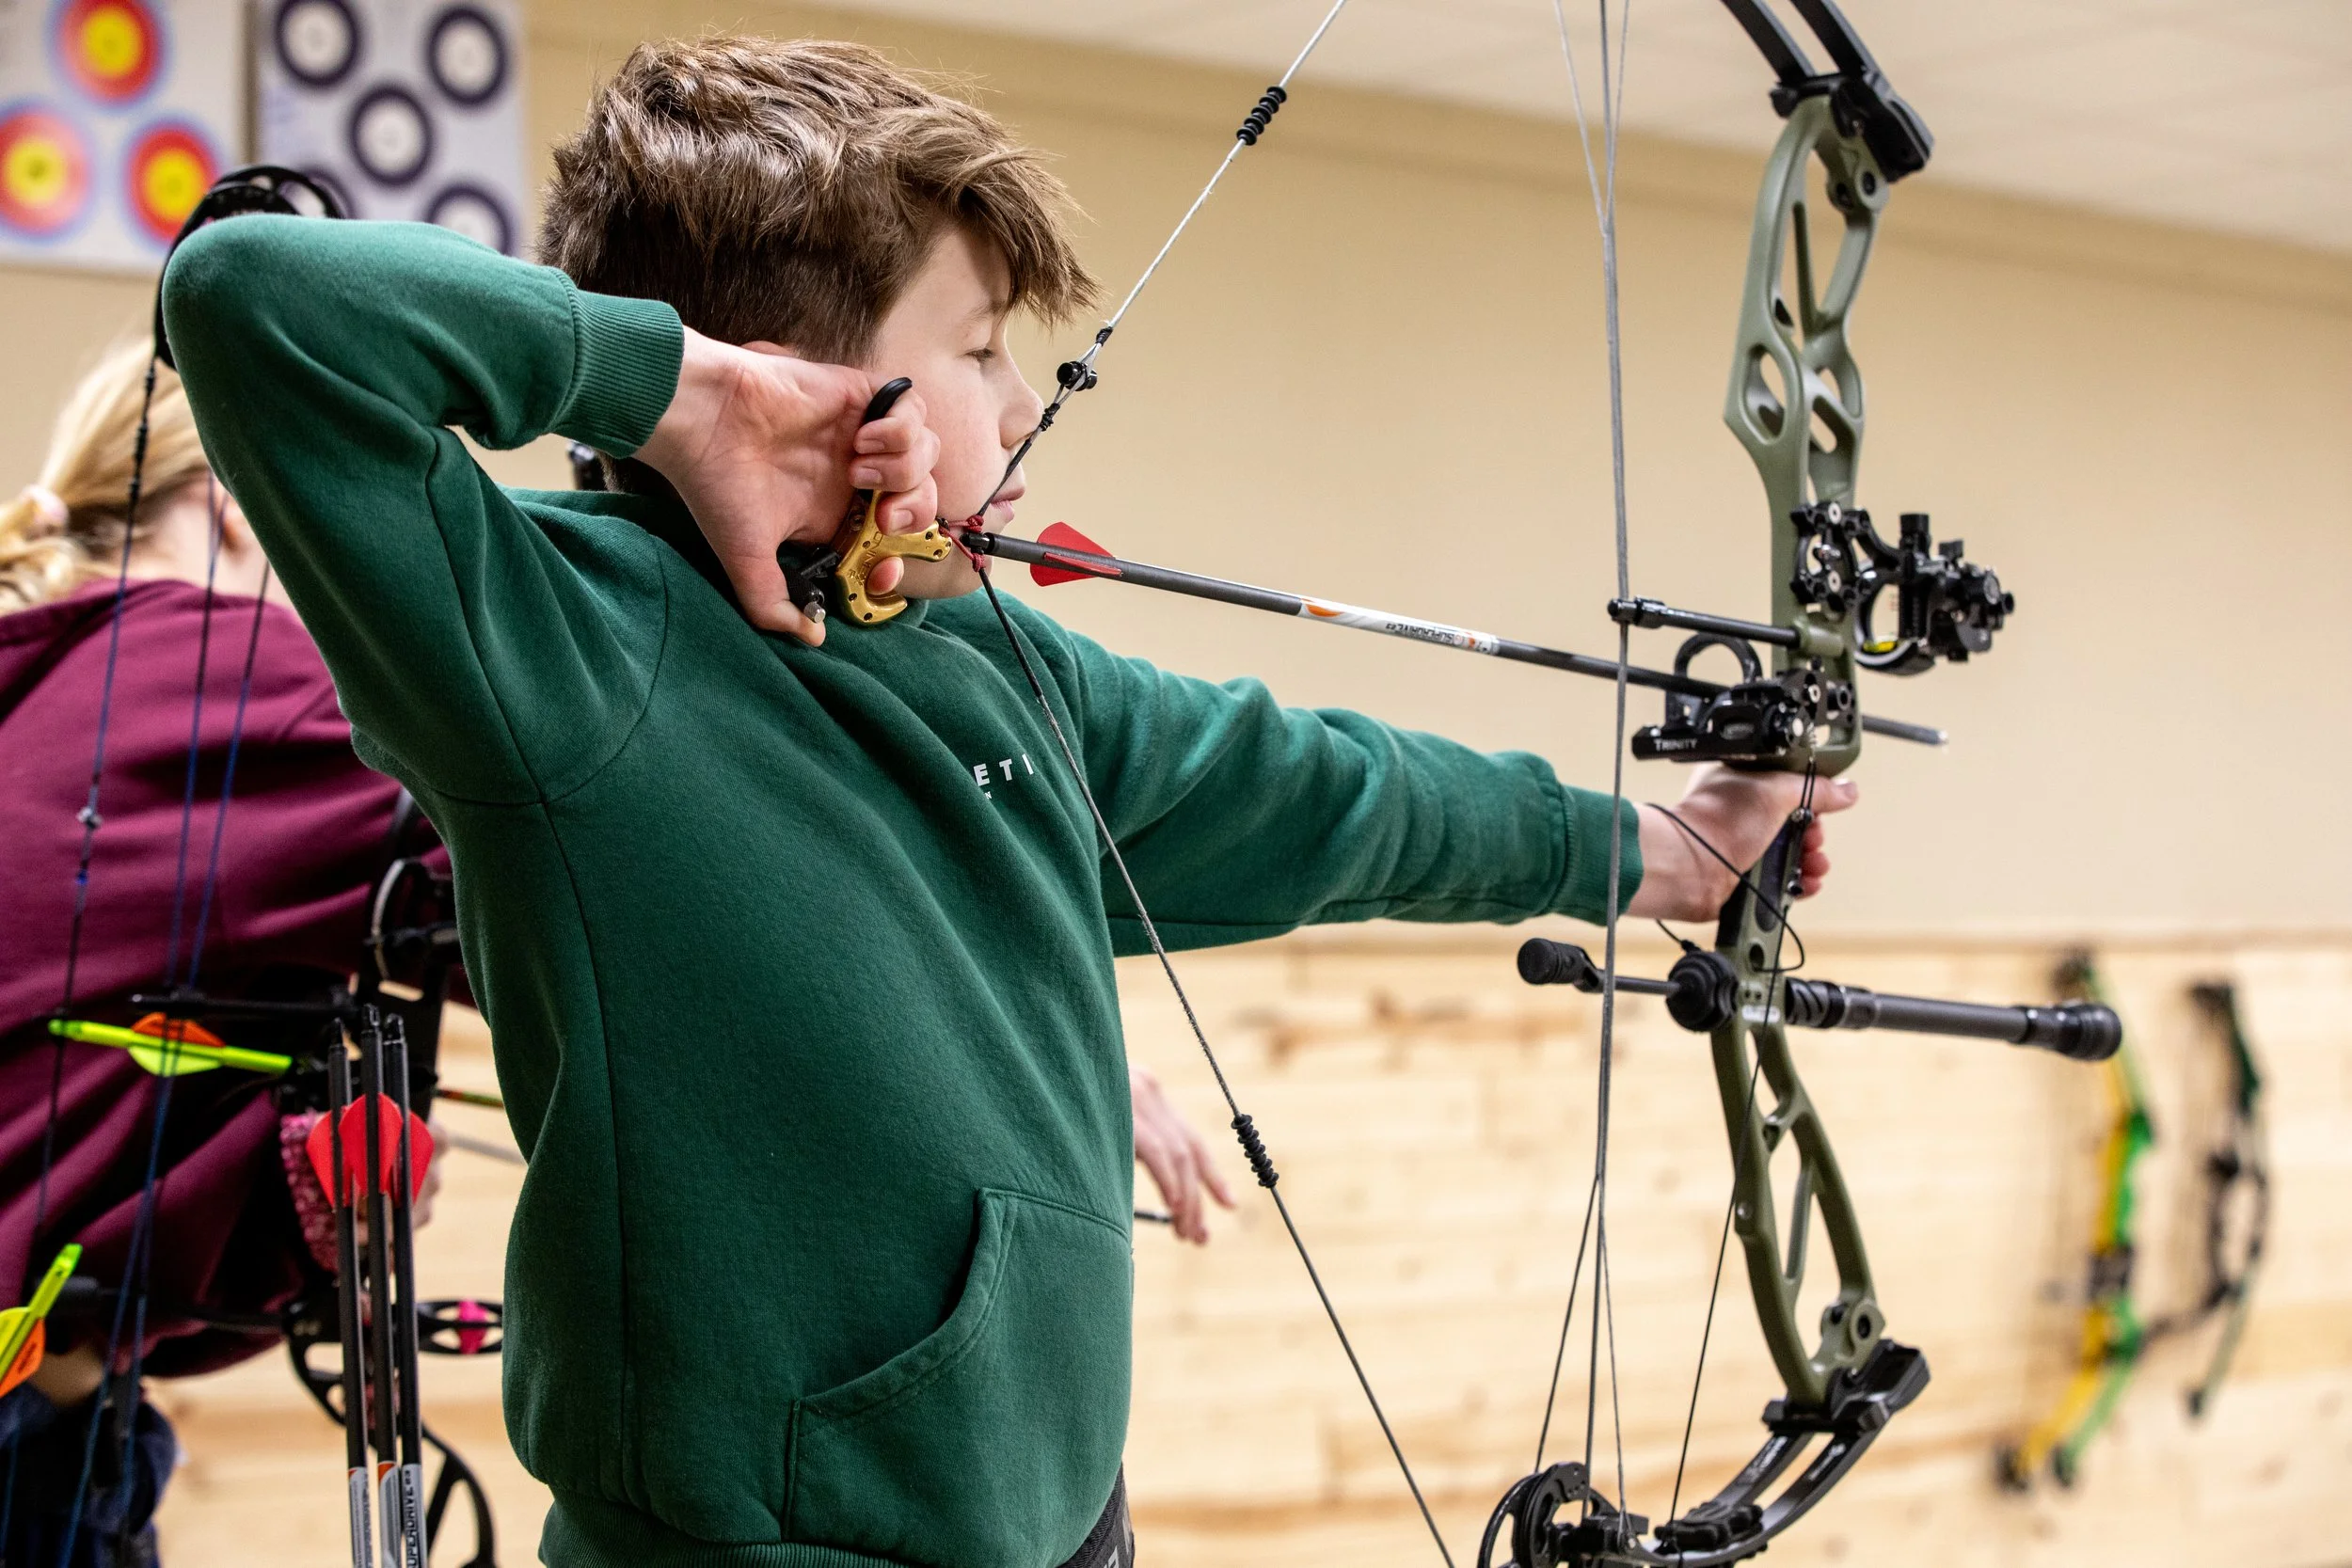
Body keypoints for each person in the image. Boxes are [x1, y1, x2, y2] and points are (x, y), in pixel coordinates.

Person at [157, 36, 1852, 1568]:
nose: (1027, 404)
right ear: (815, 391)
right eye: (976, 351)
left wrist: (1665, 851)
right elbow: (250, 302)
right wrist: (683, 392)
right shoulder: (574, 649)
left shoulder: (1010, 674)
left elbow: (1340, 795)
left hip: (1063, 1525)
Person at [0, 340, 1235, 1563]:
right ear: (233, 509)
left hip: (57, 1411)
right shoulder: (238, 676)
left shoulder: (45, 681)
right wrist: (1022, 1054)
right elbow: (642, 876)